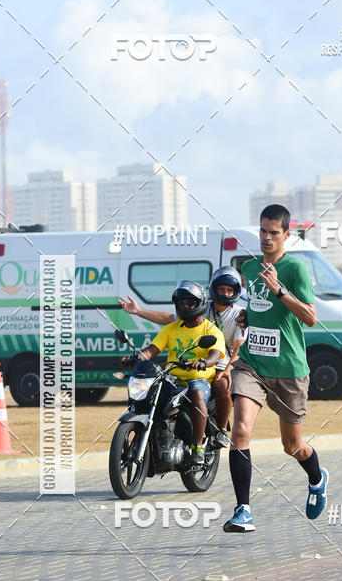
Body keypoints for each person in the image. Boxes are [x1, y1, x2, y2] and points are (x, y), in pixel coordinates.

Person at [223, 204, 328, 533]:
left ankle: (316, 476)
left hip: (289, 369)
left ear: (286, 235)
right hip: (252, 364)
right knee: (240, 431)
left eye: (274, 233)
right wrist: (247, 316)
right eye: (263, 231)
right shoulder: (251, 268)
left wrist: (279, 290)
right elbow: (258, 309)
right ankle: (243, 510)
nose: (267, 238)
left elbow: (310, 317)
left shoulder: (295, 269)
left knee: (292, 446)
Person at [119, 266, 245, 448]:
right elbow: (169, 320)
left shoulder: (240, 314)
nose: (225, 293)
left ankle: (220, 431)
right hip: (183, 364)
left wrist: (226, 370)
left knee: (222, 384)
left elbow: (238, 349)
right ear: (214, 289)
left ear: (236, 292)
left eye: (229, 290)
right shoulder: (199, 307)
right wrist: (138, 312)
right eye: (221, 289)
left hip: (218, 362)